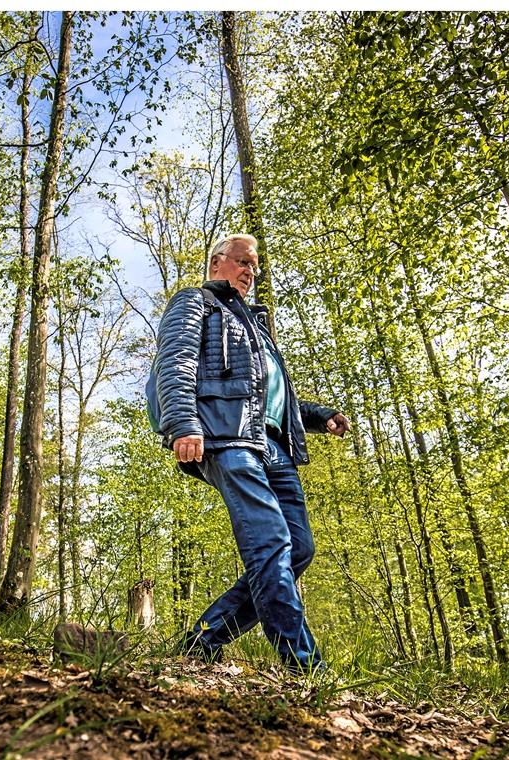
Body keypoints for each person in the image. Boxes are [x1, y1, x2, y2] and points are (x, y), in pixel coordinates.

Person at [153, 233, 350, 674]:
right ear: (217, 262)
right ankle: (305, 668)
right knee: (271, 543)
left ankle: (204, 638)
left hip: (274, 446)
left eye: (255, 267)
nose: (250, 272)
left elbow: (268, 398)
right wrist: (184, 424)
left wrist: (320, 417)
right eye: (243, 262)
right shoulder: (195, 302)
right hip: (226, 438)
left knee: (298, 548)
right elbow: (176, 362)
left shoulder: (256, 327)